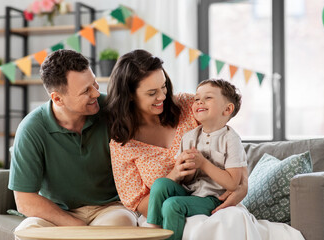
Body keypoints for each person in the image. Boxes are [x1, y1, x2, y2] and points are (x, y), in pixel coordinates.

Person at [105, 49, 248, 220]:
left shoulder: (188, 105)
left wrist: (243, 186)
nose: (162, 96)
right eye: (152, 93)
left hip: (214, 203)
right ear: (129, 96)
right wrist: (174, 175)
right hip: (165, 216)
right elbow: (141, 206)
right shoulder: (123, 145)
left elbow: (229, 141)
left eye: (163, 86)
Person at [8, 49, 137, 237]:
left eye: (94, 82)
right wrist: (76, 225)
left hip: (108, 208)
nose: (96, 92)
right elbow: (25, 200)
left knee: (122, 222)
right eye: (86, 90)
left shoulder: (111, 109)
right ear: (58, 99)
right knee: (27, 231)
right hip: (56, 214)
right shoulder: (31, 129)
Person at [146, 79, 247, 240]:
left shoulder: (231, 139)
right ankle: (152, 231)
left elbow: (233, 183)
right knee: (160, 184)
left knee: (172, 205)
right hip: (190, 191)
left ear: (227, 109)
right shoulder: (189, 137)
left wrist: (203, 164)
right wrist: (187, 170)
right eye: (197, 98)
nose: (199, 101)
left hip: (213, 198)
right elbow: (186, 180)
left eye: (208, 98)